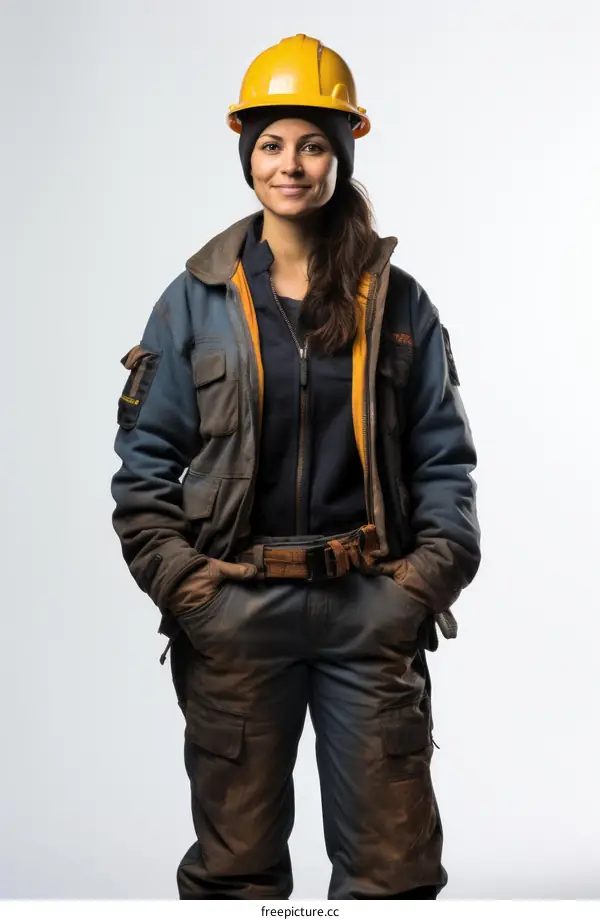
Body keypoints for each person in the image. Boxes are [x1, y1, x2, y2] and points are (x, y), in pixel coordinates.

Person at [110, 33, 481, 900]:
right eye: (272, 144)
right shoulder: (194, 302)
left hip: (369, 611)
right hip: (236, 615)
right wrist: (193, 593)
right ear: (247, 154)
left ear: (342, 155)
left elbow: (444, 460)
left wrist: (417, 588)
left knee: (393, 876)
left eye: (313, 145)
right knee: (235, 875)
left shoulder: (399, 302)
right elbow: (144, 468)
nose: (291, 165)